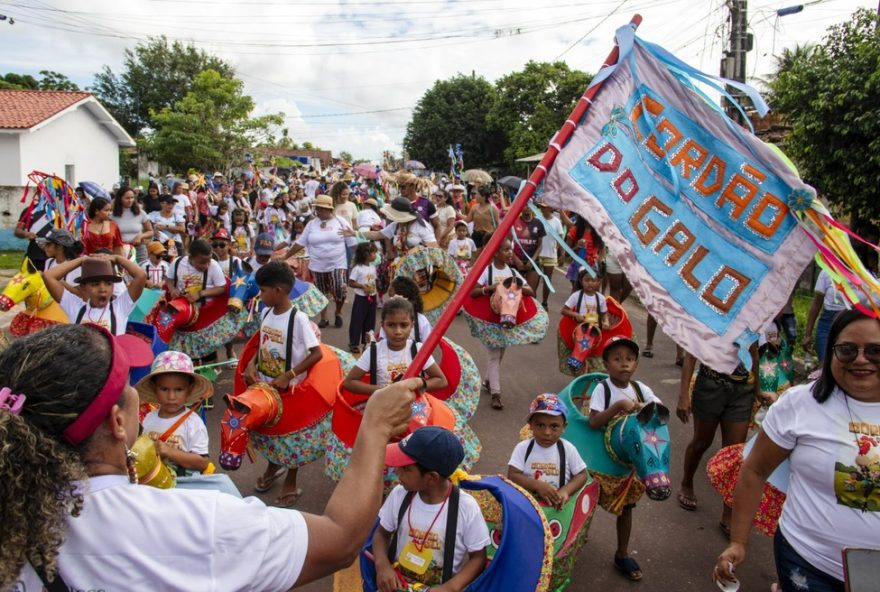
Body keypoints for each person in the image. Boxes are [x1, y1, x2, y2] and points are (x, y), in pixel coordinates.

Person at [0, 322, 421, 591]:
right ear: (117, 422)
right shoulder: (192, 523)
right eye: (131, 387)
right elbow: (340, 540)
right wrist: (374, 428)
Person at [715, 310, 880, 592]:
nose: (861, 359)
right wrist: (738, 542)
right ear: (831, 353)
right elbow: (755, 469)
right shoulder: (800, 404)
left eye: (875, 350)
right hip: (808, 562)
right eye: (848, 350)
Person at [243, 261, 324, 508]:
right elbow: (263, 343)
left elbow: (316, 353)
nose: (261, 295)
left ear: (278, 290)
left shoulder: (298, 319)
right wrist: (252, 364)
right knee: (271, 430)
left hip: (291, 390)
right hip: (267, 387)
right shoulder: (266, 313)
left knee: (292, 436)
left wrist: (289, 375)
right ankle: (273, 466)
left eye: (264, 290)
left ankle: (291, 479)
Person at [373, 426, 490, 590]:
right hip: (397, 584)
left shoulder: (466, 508)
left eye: (406, 468)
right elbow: (381, 533)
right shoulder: (399, 495)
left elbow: (478, 557)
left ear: (431, 478)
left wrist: (451, 588)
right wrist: (382, 566)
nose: (397, 471)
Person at [588, 336, 663, 582]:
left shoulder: (642, 390)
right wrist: (619, 405)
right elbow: (594, 421)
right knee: (588, 502)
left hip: (627, 463)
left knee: (627, 508)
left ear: (637, 364)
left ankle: (622, 553)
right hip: (602, 458)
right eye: (617, 359)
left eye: (630, 359)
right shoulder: (604, 388)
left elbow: (659, 416)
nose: (624, 364)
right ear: (605, 363)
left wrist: (645, 408)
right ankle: (577, 537)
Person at [677, 344, 761, 533]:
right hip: (710, 385)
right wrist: (684, 395)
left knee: (734, 453)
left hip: (742, 391)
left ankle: (728, 510)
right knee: (701, 442)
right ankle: (686, 483)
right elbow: (691, 355)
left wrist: (758, 390)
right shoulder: (710, 316)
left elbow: (754, 356)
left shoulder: (752, 318)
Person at [469, 238, 535, 410]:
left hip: (508, 320)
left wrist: (513, 288)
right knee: (494, 356)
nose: (510, 252)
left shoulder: (512, 272)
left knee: (499, 355)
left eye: (510, 249)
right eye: (505, 249)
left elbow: (531, 291)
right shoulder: (486, 270)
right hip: (490, 320)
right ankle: (496, 394)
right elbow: (473, 292)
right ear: (496, 253)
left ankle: (489, 381)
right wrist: (490, 288)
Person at [343, 298, 447, 394]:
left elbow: (441, 380)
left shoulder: (419, 349)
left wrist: (419, 384)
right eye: (391, 325)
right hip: (384, 409)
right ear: (383, 325)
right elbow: (349, 382)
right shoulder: (374, 351)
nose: (398, 331)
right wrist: (384, 390)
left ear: (411, 325)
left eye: (404, 325)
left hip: (415, 409)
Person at [283, 195, 356, 329]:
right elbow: (300, 243)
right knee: (321, 292)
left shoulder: (340, 222)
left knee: (339, 288)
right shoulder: (311, 224)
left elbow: (352, 243)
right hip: (317, 265)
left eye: (322, 209)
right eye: (317, 209)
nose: (318, 212)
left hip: (337, 263)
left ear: (330, 210)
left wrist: (360, 259)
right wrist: (286, 256)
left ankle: (338, 312)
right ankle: (324, 317)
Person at [136, 350, 213, 475]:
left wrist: (170, 452)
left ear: (189, 390)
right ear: (155, 389)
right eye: (164, 389)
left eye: (179, 389)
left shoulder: (193, 423)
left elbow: (203, 463)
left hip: (184, 487)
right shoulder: (148, 418)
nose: (171, 396)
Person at [508, 393, 588, 510]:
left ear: (564, 427)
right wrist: (537, 485)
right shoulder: (523, 448)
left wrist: (565, 491)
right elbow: (512, 475)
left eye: (554, 426)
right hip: (527, 507)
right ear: (530, 425)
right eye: (540, 425)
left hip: (557, 508)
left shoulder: (568, 449)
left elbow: (581, 475)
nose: (547, 432)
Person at [44, 254, 146, 336]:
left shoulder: (120, 307)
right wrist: (81, 260)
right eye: (95, 284)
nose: (102, 289)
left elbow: (141, 275)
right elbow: (48, 276)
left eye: (108, 284)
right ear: (83, 287)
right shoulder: (75, 307)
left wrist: (117, 258)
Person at [803, 269, 849, 364]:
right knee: (825, 365)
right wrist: (808, 335)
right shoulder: (827, 272)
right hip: (828, 325)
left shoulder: (866, 275)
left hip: (853, 326)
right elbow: (816, 303)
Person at [348, 242, 378, 354]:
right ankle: (354, 343)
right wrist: (362, 286)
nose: (375, 255)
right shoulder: (358, 268)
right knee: (357, 320)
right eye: (374, 253)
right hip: (361, 298)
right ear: (367, 254)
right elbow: (351, 283)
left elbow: (373, 280)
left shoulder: (373, 267)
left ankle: (367, 342)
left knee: (370, 320)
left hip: (372, 296)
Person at [111, 186, 153, 263]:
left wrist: (140, 236)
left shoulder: (141, 213)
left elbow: (150, 231)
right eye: (127, 198)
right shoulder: (112, 215)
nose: (130, 200)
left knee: (141, 271)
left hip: (139, 249)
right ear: (120, 198)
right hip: (120, 249)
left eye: (132, 197)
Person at [536, 202, 565, 309]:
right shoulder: (538, 219)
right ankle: (533, 302)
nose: (542, 209)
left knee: (547, 279)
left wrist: (559, 252)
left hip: (550, 254)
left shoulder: (557, 222)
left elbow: (560, 238)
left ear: (550, 207)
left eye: (544, 207)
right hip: (537, 254)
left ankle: (544, 302)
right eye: (541, 207)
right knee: (535, 279)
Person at [510, 205, 546, 294]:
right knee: (515, 292)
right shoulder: (514, 222)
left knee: (531, 293)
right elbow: (508, 244)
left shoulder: (538, 223)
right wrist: (516, 260)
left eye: (529, 205)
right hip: (516, 262)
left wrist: (532, 260)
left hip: (533, 262)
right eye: (525, 205)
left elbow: (540, 245)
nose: (527, 207)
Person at [465, 186, 500, 258]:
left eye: (477, 194)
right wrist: (457, 214)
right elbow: (467, 220)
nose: (475, 196)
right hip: (476, 235)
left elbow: (498, 226)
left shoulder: (493, 209)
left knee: (486, 257)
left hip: (488, 236)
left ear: (483, 196)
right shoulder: (474, 207)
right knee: (475, 257)